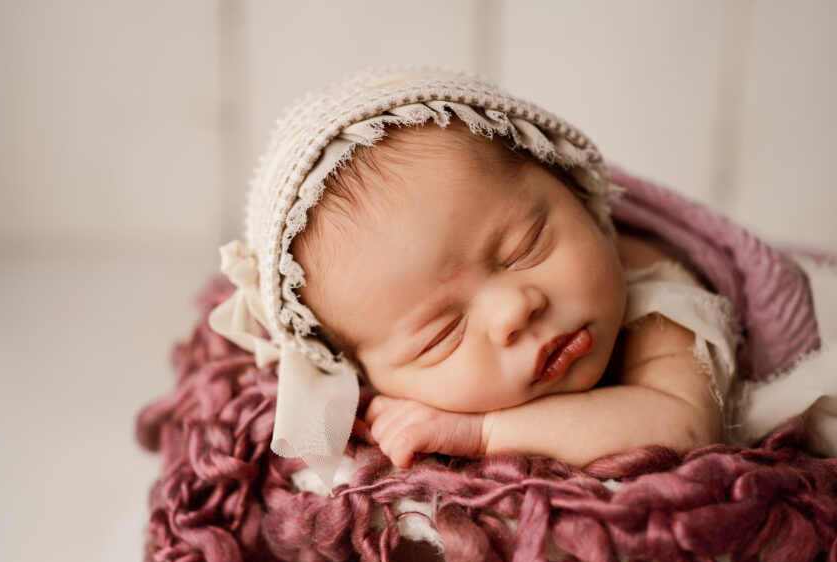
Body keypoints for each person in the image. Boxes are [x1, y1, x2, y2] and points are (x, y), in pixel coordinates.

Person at [292, 121, 726, 470]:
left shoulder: (655, 302)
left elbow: (685, 425)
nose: (513, 311)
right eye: (442, 333)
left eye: (524, 248)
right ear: (366, 379)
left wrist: (485, 433)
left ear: (573, 189)